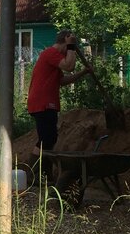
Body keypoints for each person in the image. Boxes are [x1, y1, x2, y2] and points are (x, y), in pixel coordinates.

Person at [27, 30, 92, 174]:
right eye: (67, 48)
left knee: (50, 138)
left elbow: (62, 81)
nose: (67, 53)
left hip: (47, 102)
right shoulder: (51, 53)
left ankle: (44, 173)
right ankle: (33, 172)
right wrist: (71, 46)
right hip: (42, 102)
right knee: (46, 139)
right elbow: (69, 66)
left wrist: (83, 72)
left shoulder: (54, 57)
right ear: (64, 42)